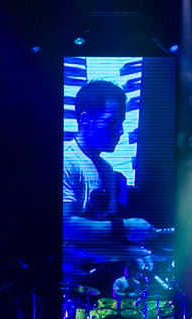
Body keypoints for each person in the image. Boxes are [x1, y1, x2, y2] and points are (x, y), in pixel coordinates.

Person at [63, 79, 154, 252]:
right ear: (85, 120)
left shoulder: (106, 169)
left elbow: (107, 225)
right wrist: (125, 227)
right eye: (112, 122)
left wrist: (134, 251)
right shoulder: (66, 162)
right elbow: (64, 227)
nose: (120, 131)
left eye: (122, 123)